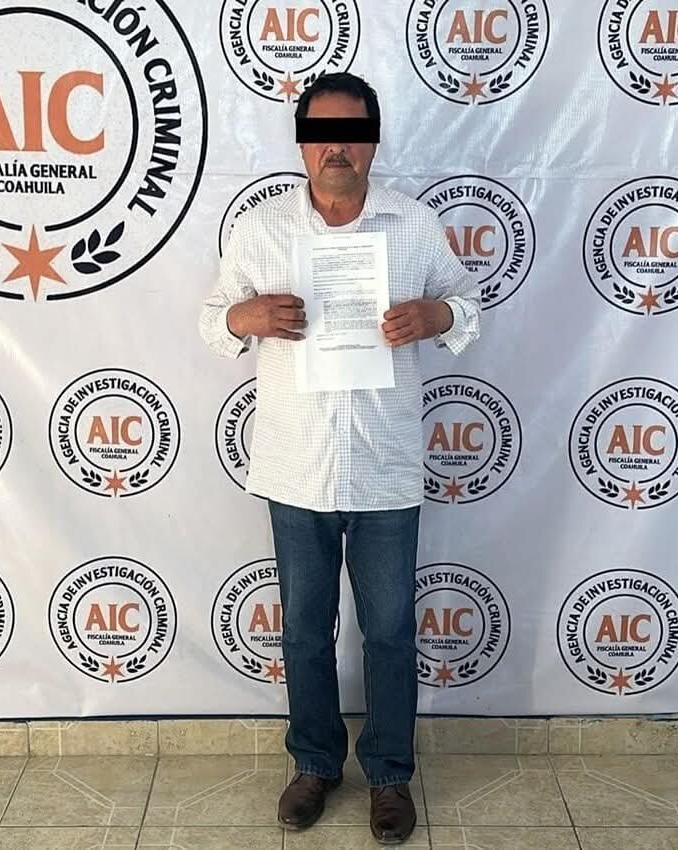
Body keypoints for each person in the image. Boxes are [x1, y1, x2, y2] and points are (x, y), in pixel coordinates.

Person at [199, 72, 480, 845]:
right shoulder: (261, 230)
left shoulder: (412, 225)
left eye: (351, 133)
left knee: (389, 630)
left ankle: (389, 775)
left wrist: (436, 313)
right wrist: (245, 315)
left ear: (372, 141)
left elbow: (468, 306)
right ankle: (315, 765)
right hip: (296, 466)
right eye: (322, 133)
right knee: (303, 630)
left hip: (385, 466)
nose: (337, 148)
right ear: (302, 143)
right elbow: (211, 321)